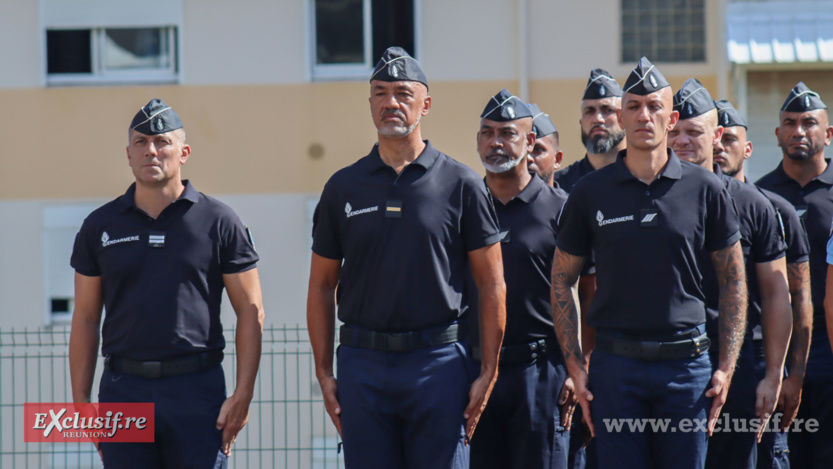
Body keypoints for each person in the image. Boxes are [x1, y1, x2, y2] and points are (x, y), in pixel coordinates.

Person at [306, 47, 506, 469]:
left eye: (402, 93)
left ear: (426, 104)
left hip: (438, 364)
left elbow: (492, 284)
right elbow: (322, 285)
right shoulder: (343, 187)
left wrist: (487, 371)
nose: (390, 103)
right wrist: (325, 374)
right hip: (363, 366)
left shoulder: (462, 185)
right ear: (370, 103)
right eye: (380, 93)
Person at [552, 57, 748, 469]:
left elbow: (733, 281)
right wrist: (576, 363)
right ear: (622, 116)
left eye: (655, 106)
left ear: (671, 117)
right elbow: (562, 279)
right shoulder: (589, 193)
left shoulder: (707, 189)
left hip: (686, 369)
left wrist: (726, 368)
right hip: (616, 368)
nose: (645, 115)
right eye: (635, 106)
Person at [68, 99, 264, 469]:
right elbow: (86, 317)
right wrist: (81, 401)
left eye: (162, 142)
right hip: (123, 390)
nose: (151, 151)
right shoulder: (100, 226)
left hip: (196, 390)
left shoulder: (219, 221)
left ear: (184, 152)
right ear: (128, 154)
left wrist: (243, 394)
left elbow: (252, 311)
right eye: (141, 143)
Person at [668, 80, 791, 469]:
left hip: (736, 365)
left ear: (715, 135)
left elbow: (776, 294)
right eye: (676, 132)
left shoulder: (753, 205)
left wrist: (773, 375)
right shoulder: (651, 198)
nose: (682, 141)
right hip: (668, 364)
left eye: (693, 132)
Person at [469, 90, 571, 469]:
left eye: (508, 133)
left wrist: (580, 368)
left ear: (529, 142)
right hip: (474, 373)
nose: (496, 142)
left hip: (540, 372)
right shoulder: (463, 204)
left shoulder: (561, 210)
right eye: (488, 132)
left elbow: (592, 293)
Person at [714, 99, 812, 469]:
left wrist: (789, 373)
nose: (721, 147)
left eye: (730, 139)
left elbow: (796, 297)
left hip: (756, 356)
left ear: (748, 147)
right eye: (715, 139)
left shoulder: (772, 209)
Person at [759, 82, 833, 469]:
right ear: (777, 134)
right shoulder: (761, 197)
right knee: (782, 453)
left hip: (830, 339)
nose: (798, 131)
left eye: (808, 123)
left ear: (829, 133)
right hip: (779, 342)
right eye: (789, 123)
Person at [553, 68, 626, 192]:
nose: (597, 119)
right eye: (590, 111)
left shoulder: (643, 177)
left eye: (607, 110)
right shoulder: (560, 186)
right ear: (581, 123)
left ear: (624, 119)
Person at [526, 103, 563, 186]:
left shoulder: (571, 199)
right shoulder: (492, 198)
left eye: (537, 150)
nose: (528, 158)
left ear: (557, 159)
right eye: (522, 150)